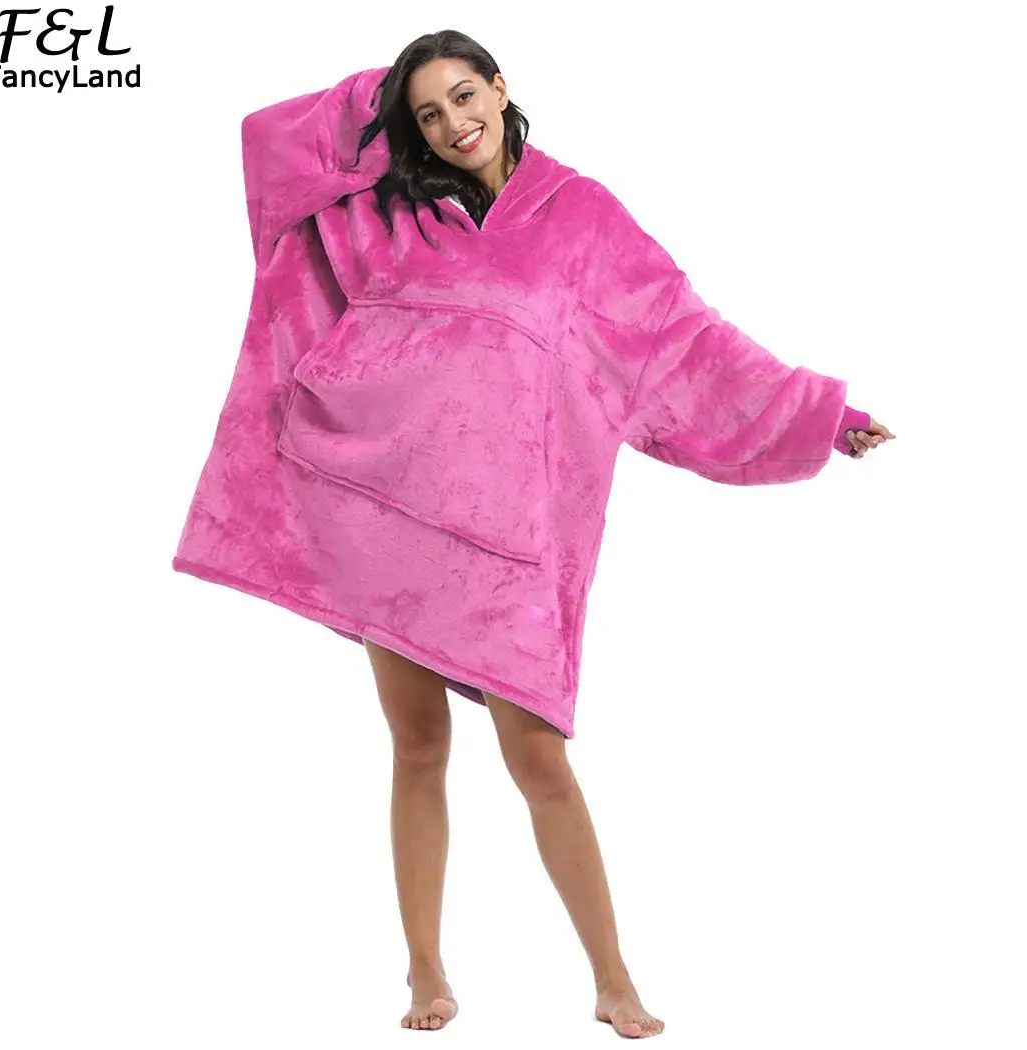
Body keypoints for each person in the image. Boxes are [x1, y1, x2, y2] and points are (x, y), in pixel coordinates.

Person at [172, 29, 896, 1038]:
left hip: (512, 539)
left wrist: (822, 415)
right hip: (392, 513)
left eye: (465, 96)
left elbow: (684, 340)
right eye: (429, 113)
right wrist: (389, 94)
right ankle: (425, 972)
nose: (454, 124)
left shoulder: (583, 217)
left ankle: (613, 979)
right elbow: (272, 144)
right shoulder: (389, 210)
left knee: (540, 760)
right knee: (417, 743)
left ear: (501, 87)